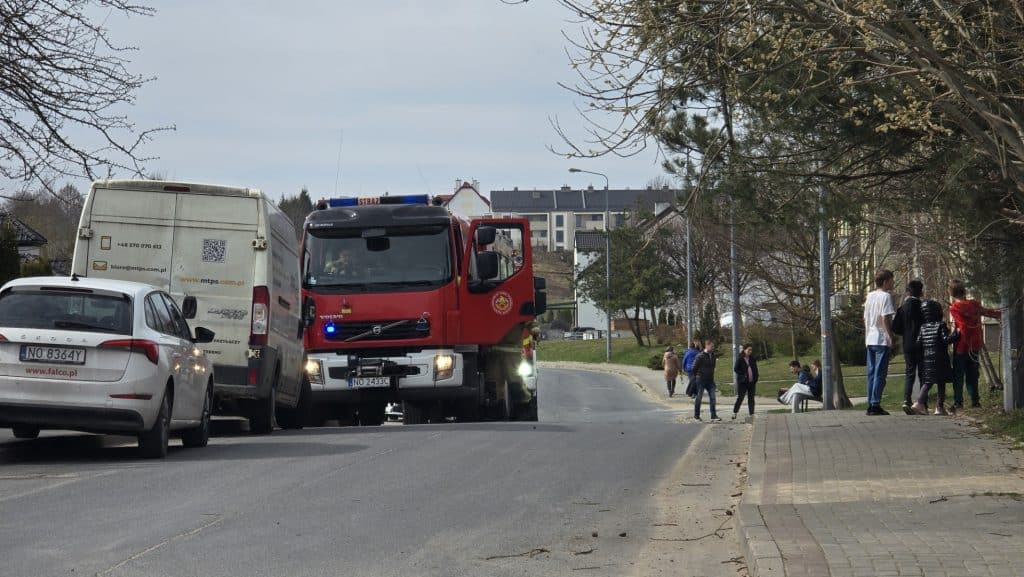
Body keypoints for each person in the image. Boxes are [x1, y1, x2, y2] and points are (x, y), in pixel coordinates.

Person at [947, 280, 1001, 410]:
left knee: (958, 375)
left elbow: (962, 326)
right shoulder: (974, 304)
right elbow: (988, 312)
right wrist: (1001, 314)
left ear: (952, 294)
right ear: (964, 291)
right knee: (972, 374)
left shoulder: (954, 308)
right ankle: (975, 401)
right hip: (975, 344)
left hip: (961, 346)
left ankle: (958, 402)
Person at [914, 299, 959, 415]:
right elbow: (945, 340)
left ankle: (918, 402)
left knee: (928, 382)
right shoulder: (941, 324)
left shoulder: (923, 327)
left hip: (927, 358)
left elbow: (918, 343)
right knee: (941, 382)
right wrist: (956, 334)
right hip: (940, 358)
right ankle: (939, 407)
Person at [864, 269, 896, 415]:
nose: (893, 283)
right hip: (881, 338)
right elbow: (885, 318)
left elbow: (866, 318)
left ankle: (870, 402)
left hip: (870, 337)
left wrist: (866, 336)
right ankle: (875, 403)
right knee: (880, 373)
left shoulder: (870, 296)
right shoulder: (885, 297)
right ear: (885, 281)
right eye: (891, 280)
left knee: (871, 372)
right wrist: (890, 336)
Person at [892, 279, 924, 414]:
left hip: (908, 343)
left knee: (910, 372)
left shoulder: (902, 308)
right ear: (920, 292)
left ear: (908, 292)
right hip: (922, 343)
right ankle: (922, 402)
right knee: (923, 372)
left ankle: (906, 399)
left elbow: (895, 327)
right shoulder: (922, 307)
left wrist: (905, 332)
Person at [691, 339, 720, 421]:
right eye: (712, 346)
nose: (713, 348)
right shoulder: (700, 356)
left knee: (713, 397)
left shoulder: (713, 356)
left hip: (710, 380)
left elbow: (713, 367)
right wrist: (697, 376)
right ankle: (696, 415)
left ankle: (713, 415)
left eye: (713, 346)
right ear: (706, 346)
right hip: (701, 379)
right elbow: (694, 368)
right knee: (699, 398)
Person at [732, 344, 759, 420]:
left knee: (751, 399)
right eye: (748, 350)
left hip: (752, 382)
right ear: (744, 350)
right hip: (743, 383)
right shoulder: (740, 358)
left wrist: (756, 377)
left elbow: (755, 368)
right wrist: (743, 375)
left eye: (751, 350)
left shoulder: (752, 358)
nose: (750, 351)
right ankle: (735, 412)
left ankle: (751, 414)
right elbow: (736, 369)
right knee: (740, 398)